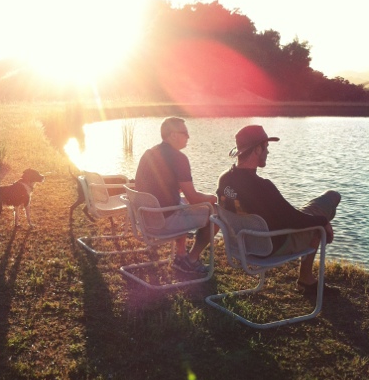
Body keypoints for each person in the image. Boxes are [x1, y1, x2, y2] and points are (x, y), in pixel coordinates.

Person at [217, 124, 341, 295]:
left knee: (311, 216)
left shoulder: (224, 179)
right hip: (271, 247)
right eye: (266, 147)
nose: (268, 152)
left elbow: (287, 215)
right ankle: (306, 279)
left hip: (242, 245)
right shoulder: (263, 187)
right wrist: (323, 222)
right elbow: (296, 220)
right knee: (330, 200)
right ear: (257, 149)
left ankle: (306, 277)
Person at [135, 117, 217, 274]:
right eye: (185, 133)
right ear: (173, 135)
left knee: (181, 203)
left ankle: (181, 254)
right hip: (163, 223)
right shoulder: (179, 158)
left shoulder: (149, 153)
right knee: (216, 213)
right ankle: (191, 260)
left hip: (145, 219)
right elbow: (194, 198)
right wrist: (211, 198)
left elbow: (148, 184)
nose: (188, 136)